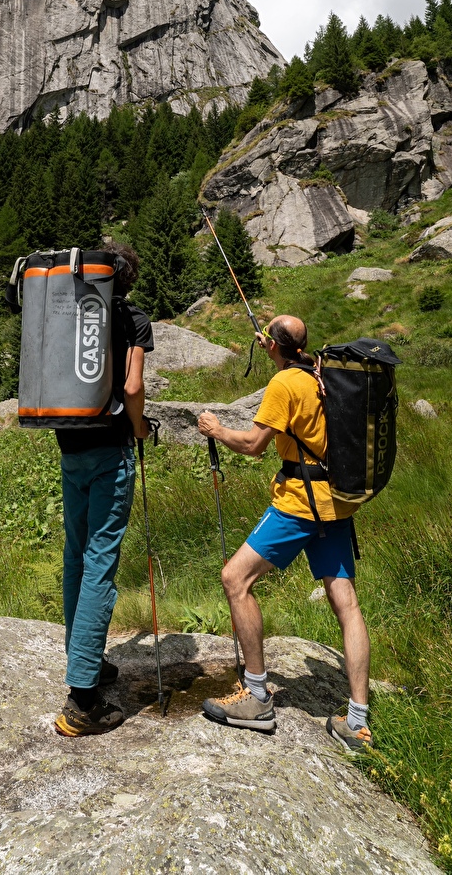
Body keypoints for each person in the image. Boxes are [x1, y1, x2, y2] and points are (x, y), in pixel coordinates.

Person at [196, 314, 372, 752]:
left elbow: (254, 446)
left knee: (235, 579)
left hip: (300, 503)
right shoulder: (320, 372)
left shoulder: (283, 386)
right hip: (337, 501)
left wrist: (217, 429)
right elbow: (286, 351)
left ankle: (256, 697)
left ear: (273, 348)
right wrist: (276, 346)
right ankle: (358, 722)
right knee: (346, 602)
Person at [53, 241, 154, 738]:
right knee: (100, 562)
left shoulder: (66, 308)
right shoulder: (133, 320)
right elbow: (132, 389)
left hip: (68, 444)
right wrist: (139, 429)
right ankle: (83, 700)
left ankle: (84, 657)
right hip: (110, 449)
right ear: (126, 280)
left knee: (76, 554)